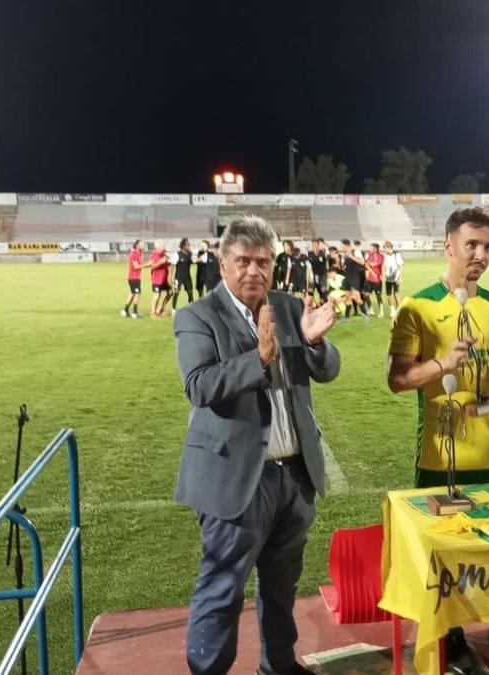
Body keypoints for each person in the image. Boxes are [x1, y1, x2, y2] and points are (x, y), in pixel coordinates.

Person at [174, 216, 340, 675]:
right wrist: (259, 359)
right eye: (243, 261)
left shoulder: (288, 307)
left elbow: (326, 371)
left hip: (293, 474)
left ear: (274, 265)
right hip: (237, 478)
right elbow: (200, 385)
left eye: (263, 262)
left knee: (282, 587)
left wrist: (314, 343)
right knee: (223, 588)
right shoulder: (197, 316)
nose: (253, 270)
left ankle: (279, 666)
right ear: (223, 263)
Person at [387, 206, 489, 674]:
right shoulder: (417, 307)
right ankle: (452, 637)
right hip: (443, 455)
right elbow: (397, 379)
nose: (480, 255)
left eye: (488, 247)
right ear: (449, 246)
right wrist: (442, 366)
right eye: (471, 245)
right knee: (447, 554)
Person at [122, 239, 153, 319]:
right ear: (137, 245)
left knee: (133, 294)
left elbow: (141, 264)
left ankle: (125, 311)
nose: (143, 246)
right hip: (133, 277)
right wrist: (147, 265)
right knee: (137, 294)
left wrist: (148, 264)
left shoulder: (140, 253)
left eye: (143, 244)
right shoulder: (134, 253)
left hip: (136, 277)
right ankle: (135, 313)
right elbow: (136, 266)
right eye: (142, 244)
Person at [150, 243, 174, 318]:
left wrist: (170, 277)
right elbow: (152, 267)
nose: (163, 250)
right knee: (157, 295)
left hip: (165, 279)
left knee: (171, 292)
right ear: (157, 248)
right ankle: (153, 312)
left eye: (164, 249)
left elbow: (170, 266)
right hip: (157, 279)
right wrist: (161, 262)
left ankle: (161, 308)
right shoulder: (154, 255)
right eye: (162, 249)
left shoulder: (165, 255)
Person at [381, 241, 404, 317]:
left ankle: (400, 311)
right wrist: (383, 275)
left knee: (396, 294)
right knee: (388, 295)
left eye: (385, 248)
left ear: (389, 247)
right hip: (388, 278)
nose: (384, 250)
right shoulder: (385, 256)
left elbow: (401, 266)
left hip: (395, 278)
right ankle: (392, 310)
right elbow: (384, 266)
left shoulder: (397, 255)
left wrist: (400, 277)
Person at [173, 238, 196, 310]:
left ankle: (191, 309)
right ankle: (174, 309)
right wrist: (171, 278)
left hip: (187, 277)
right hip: (178, 277)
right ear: (183, 246)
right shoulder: (177, 254)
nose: (189, 246)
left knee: (190, 293)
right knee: (176, 293)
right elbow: (172, 266)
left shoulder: (190, 254)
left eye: (189, 245)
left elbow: (193, 261)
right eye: (188, 245)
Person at [365, 242, 385, 313]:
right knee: (366, 295)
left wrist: (367, 262)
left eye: (371, 248)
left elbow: (373, 264)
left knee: (378, 296)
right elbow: (366, 264)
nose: (370, 249)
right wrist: (367, 263)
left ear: (375, 249)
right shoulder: (368, 255)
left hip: (377, 280)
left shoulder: (381, 256)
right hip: (369, 279)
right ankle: (370, 309)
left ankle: (381, 311)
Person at [308, 238, 330, 305]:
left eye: (315, 245)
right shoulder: (310, 254)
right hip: (313, 275)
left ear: (318, 245)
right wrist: (310, 275)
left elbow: (328, 258)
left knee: (323, 291)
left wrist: (326, 248)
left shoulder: (323, 253)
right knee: (310, 291)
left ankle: (323, 305)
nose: (314, 247)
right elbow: (309, 265)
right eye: (313, 245)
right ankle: (313, 305)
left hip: (322, 275)